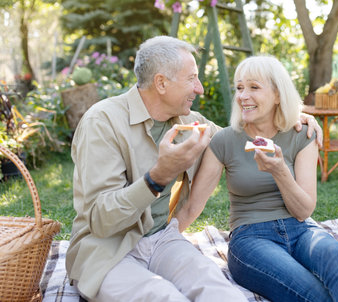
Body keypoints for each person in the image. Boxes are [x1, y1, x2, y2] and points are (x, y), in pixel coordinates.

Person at [65, 36, 323, 302]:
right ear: (161, 83)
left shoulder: (191, 123)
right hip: (107, 249)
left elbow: (237, 140)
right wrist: (157, 178)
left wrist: (292, 116)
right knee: (162, 296)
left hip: (162, 239)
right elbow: (100, 219)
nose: (199, 88)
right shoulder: (102, 122)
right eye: (192, 79)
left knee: (222, 294)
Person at [176, 55, 338, 302]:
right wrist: (157, 244)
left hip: (302, 230)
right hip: (250, 238)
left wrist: (280, 172)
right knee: (311, 293)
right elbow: (193, 206)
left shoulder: (302, 134)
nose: (243, 96)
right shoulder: (224, 140)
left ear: (278, 95)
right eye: (239, 88)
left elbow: (304, 211)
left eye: (254, 87)